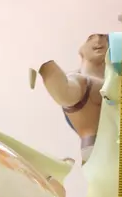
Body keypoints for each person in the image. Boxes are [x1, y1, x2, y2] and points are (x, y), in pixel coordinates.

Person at [30, 33, 109, 163]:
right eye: (91, 38)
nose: (100, 39)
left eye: (106, 39)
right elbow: (64, 92)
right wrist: (46, 65)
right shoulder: (80, 82)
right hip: (101, 157)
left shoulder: (118, 83)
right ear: (81, 50)